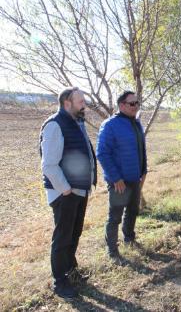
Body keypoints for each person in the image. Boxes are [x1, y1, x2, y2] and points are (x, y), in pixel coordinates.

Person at [40, 87, 97, 299]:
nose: (84, 104)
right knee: (63, 237)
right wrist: (65, 189)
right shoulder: (55, 125)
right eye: (80, 101)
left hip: (78, 190)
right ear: (67, 103)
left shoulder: (76, 123)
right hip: (65, 192)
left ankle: (70, 270)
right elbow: (49, 165)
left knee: (75, 233)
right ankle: (60, 282)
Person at [96, 91, 147, 261]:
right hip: (120, 182)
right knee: (115, 217)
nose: (136, 106)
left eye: (137, 103)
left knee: (133, 211)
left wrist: (144, 171)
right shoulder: (110, 125)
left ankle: (129, 239)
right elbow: (102, 153)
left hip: (135, 178)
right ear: (122, 105)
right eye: (132, 104)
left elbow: (141, 149)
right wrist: (115, 178)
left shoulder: (137, 124)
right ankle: (112, 251)